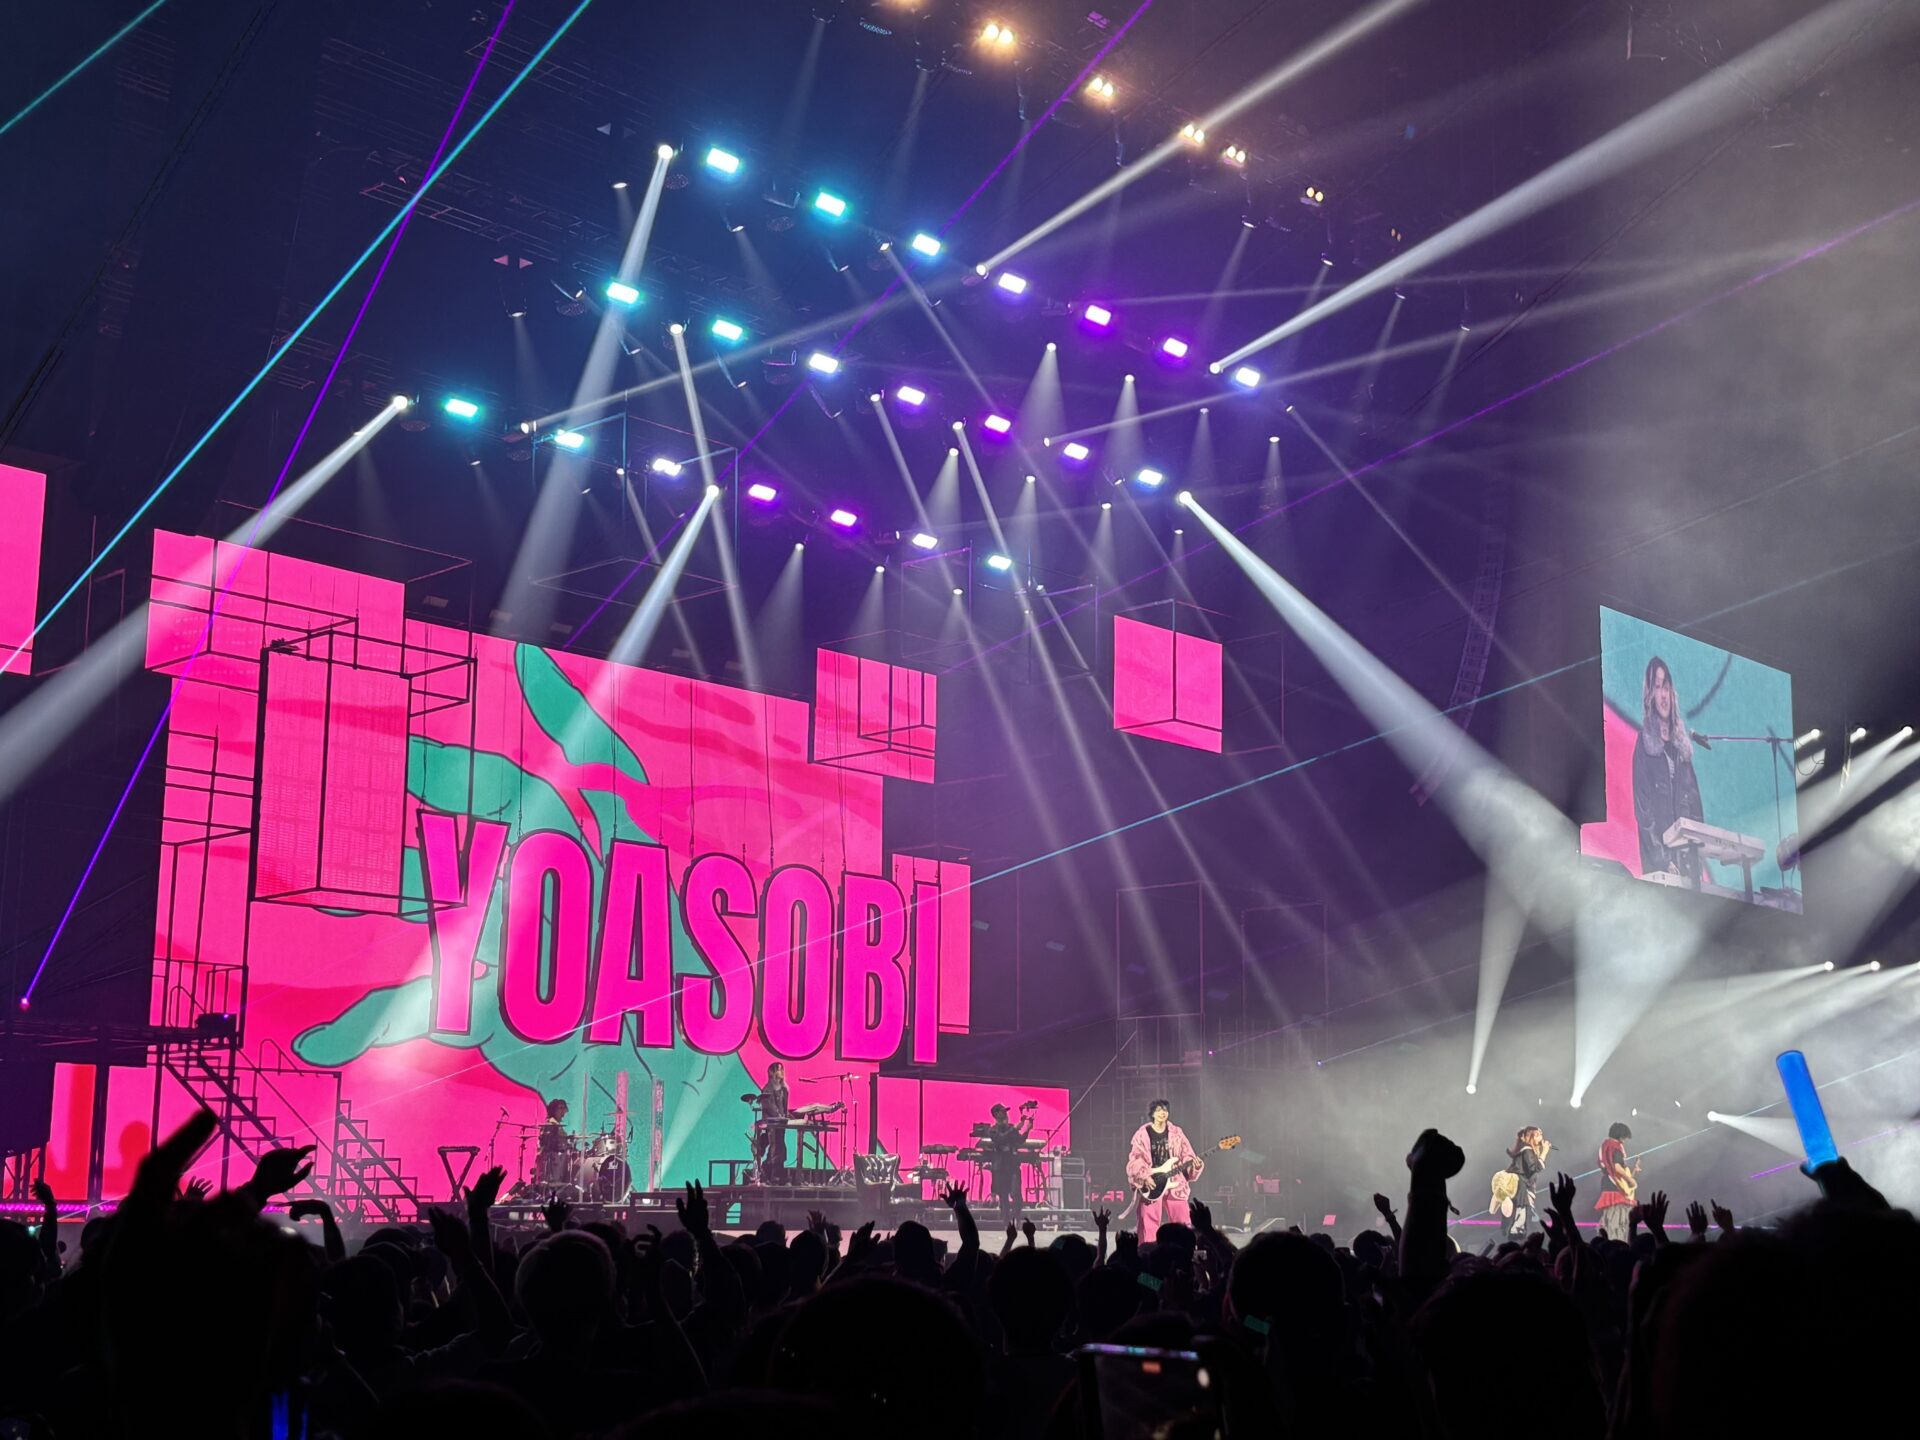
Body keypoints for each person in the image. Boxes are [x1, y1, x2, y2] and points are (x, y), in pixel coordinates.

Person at [1632, 655, 1706, 882]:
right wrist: (1663, 860)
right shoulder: (1644, 745)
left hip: (1687, 864)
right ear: (1650, 695)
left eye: (1666, 687)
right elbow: (1644, 814)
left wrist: (1696, 859)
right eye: (1657, 687)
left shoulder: (1681, 748)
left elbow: (1695, 809)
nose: (1663, 695)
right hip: (1660, 865)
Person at [1126, 1099, 1204, 1243]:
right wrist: (1145, 1176)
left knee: (1182, 1221)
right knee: (1148, 1222)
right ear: (1152, 1114)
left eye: (1165, 1110)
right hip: (1153, 1181)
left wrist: (1194, 1165)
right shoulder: (1142, 1134)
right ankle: (1148, 1250)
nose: (1162, 1113)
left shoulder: (1177, 1133)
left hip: (1175, 1182)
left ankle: (1184, 1249)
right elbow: (1136, 1159)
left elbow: (1187, 1154)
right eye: (1159, 1110)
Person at [983, 1102, 1034, 1224]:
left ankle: (1016, 1218)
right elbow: (1000, 1139)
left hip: (1013, 1166)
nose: (1006, 1113)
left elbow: (1020, 1140)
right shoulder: (993, 1130)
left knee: (1016, 1194)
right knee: (1003, 1196)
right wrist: (1015, 1128)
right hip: (1000, 1167)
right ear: (996, 1114)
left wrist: (1027, 1129)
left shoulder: (1011, 1128)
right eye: (1002, 1111)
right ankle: (1007, 1222)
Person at [1500, 1126, 1550, 1238]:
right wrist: (1544, 1152)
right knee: (1523, 1217)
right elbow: (1534, 1168)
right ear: (1530, 1137)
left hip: (1521, 1188)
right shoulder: (1527, 1150)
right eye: (1538, 1135)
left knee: (1520, 1216)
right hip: (1522, 1189)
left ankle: (1511, 1233)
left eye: (1541, 1135)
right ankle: (1517, 1236)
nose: (1541, 1138)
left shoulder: (1526, 1150)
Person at [1596, 1121, 1637, 1240]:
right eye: (1625, 1137)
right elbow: (1617, 1167)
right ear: (1621, 1135)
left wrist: (1633, 1172)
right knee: (1618, 1223)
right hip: (1616, 1188)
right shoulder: (1615, 1147)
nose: (1624, 1141)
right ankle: (1618, 1245)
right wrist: (1631, 1180)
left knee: (1609, 1221)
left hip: (1607, 1185)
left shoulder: (1604, 1146)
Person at [753, 1062, 789, 1184]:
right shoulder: (767, 1089)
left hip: (781, 1123)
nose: (780, 1072)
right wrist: (779, 1117)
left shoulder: (784, 1089)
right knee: (776, 1146)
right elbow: (769, 1107)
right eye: (778, 1069)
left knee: (780, 1145)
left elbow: (784, 1107)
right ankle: (773, 1173)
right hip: (771, 1123)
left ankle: (772, 1171)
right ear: (771, 1072)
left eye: (781, 1069)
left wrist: (787, 1117)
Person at [536, 1098, 574, 1187]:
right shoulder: (552, 1123)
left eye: (564, 1108)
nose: (563, 1111)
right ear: (554, 1110)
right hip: (552, 1156)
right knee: (554, 1181)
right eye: (560, 1108)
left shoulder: (557, 1123)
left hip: (558, 1156)